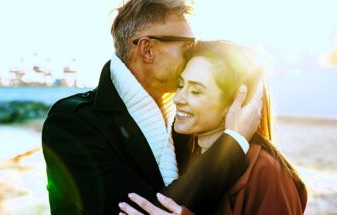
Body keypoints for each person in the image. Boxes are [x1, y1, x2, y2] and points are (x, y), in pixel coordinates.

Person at [41, 1, 262, 214]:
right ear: (148, 49)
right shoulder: (72, 123)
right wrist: (232, 143)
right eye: (187, 47)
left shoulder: (183, 119)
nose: (193, 56)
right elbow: (152, 209)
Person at [119, 41, 307, 215]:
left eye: (195, 91)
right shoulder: (187, 157)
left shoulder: (266, 172)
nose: (178, 99)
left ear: (234, 104)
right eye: (180, 85)